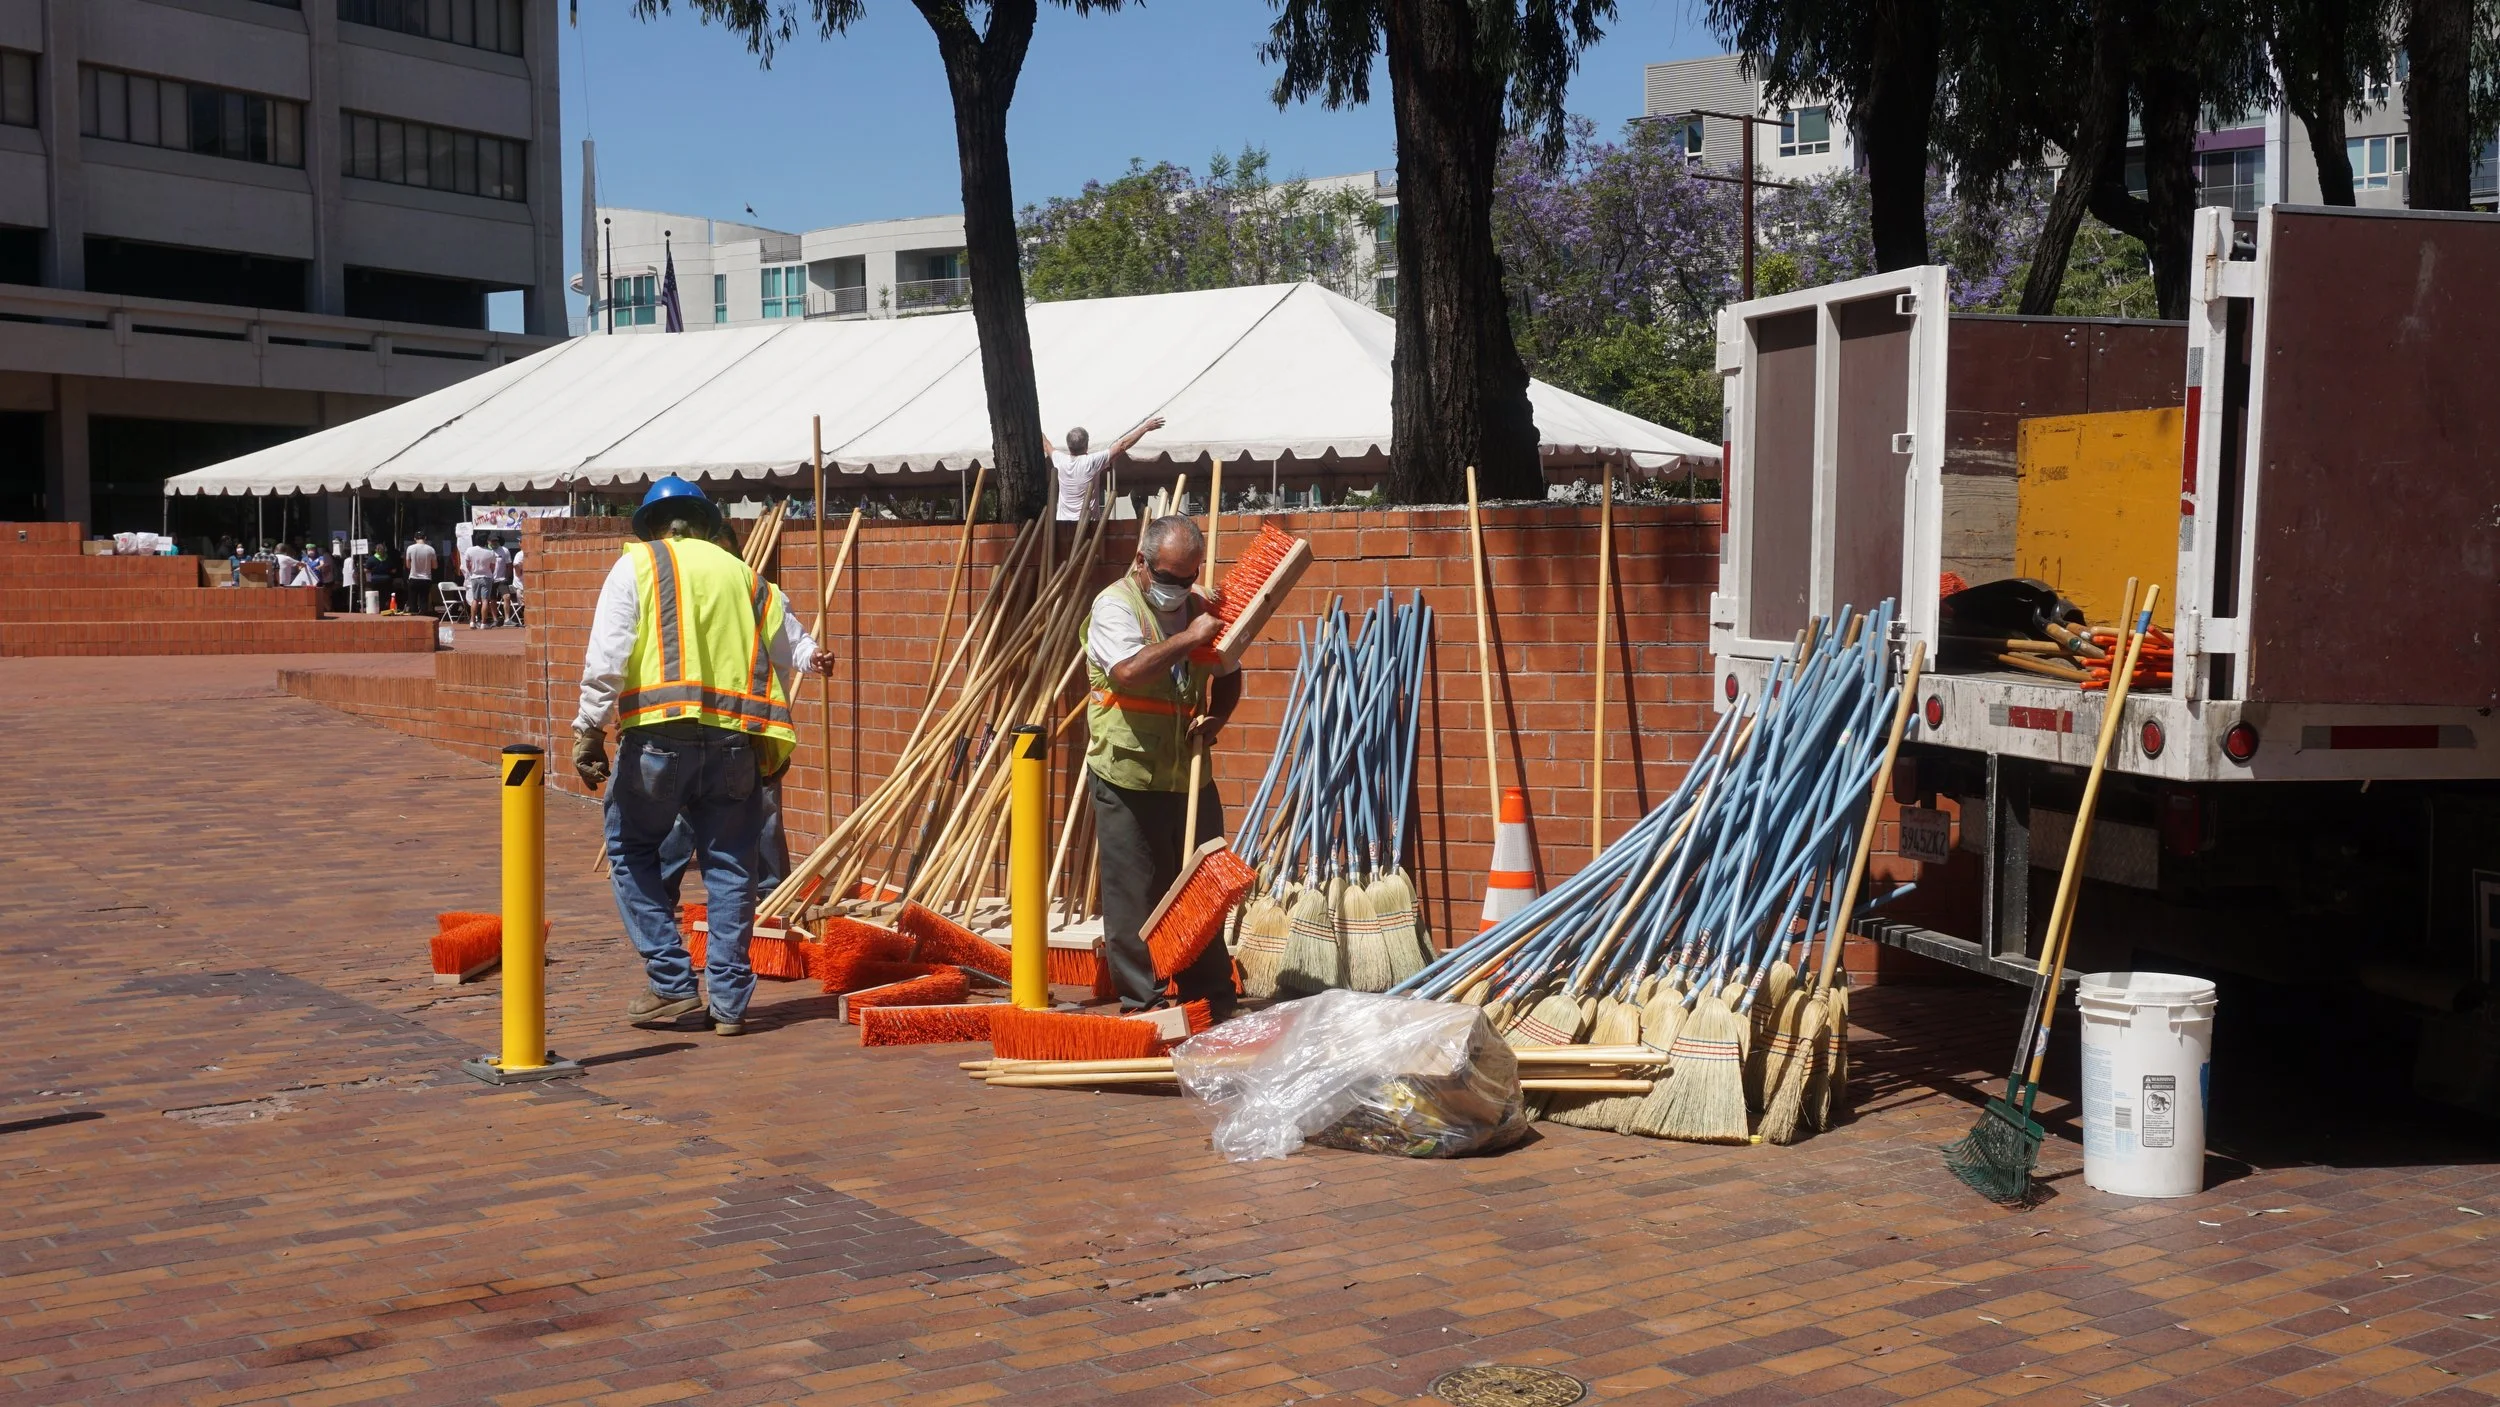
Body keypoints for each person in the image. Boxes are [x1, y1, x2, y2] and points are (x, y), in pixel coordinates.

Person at [570, 476, 837, 1038]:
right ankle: (730, 1003)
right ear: (705, 525)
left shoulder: (638, 565)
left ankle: (671, 981)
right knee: (732, 865)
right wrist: (814, 658)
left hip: (658, 738)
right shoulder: (743, 574)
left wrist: (589, 727)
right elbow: (792, 641)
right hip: (735, 743)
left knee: (631, 851)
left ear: (653, 526)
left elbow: (608, 654)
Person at [1085, 513, 1241, 1017]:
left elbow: (1230, 670)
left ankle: (1209, 996)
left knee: (1202, 887)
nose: (1179, 587)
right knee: (1135, 892)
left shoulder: (1199, 605)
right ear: (1142, 562)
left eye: (1189, 576)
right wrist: (1190, 636)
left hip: (1189, 771)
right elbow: (1129, 671)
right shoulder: (1115, 606)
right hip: (1127, 773)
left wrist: (1217, 717)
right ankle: (1143, 1001)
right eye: (1169, 576)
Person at [1046, 416, 1166, 522]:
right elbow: (1122, 445)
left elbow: (1046, 445)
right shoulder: (1092, 462)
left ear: (1068, 445)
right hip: (1088, 524)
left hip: (1063, 523)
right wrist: (1145, 428)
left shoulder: (1060, 460)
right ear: (1086, 444)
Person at [460, 535, 498, 628]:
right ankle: (483, 623)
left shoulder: (470, 550)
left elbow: (467, 564)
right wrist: (489, 572)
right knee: (485, 600)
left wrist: (471, 572)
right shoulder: (491, 552)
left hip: (474, 577)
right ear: (486, 542)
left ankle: (472, 621)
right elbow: (492, 567)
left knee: (475, 599)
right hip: (486, 577)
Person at [403, 532, 438, 615]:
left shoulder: (410, 548)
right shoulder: (431, 549)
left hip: (413, 577)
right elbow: (435, 566)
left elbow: (408, 565)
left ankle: (414, 617)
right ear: (425, 538)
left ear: (415, 539)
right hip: (426, 578)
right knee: (424, 601)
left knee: (412, 601)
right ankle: (423, 617)